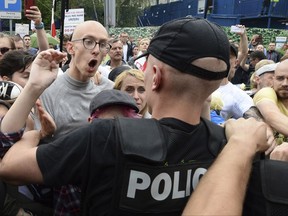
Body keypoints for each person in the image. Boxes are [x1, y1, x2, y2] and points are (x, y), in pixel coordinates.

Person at [0, 17, 276, 215]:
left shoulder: (107, 136)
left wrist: (34, 135)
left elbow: (10, 166)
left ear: (154, 77)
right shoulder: (236, 148)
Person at [254, 59, 288, 142]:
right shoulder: (267, 92)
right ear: (273, 80)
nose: (285, 83)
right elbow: (272, 115)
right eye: (280, 78)